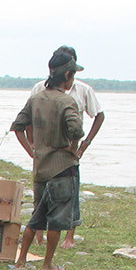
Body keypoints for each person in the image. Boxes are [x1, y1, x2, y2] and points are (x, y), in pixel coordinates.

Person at [10, 51, 85, 270]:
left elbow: (18, 126)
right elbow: (77, 129)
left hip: (41, 167)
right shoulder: (66, 101)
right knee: (57, 219)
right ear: (68, 75)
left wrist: (32, 151)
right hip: (63, 168)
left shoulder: (35, 99)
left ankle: (21, 260)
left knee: (36, 217)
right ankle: (47, 263)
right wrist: (72, 147)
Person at [28, 47, 104, 254]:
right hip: (45, 153)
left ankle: (68, 235)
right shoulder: (39, 90)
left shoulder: (82, 90)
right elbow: (27, 118)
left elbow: (97, 116)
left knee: (68, 195)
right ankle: (39, 235)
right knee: (41, 194)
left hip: (67, 155)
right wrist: (32, 145)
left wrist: (82, 144)